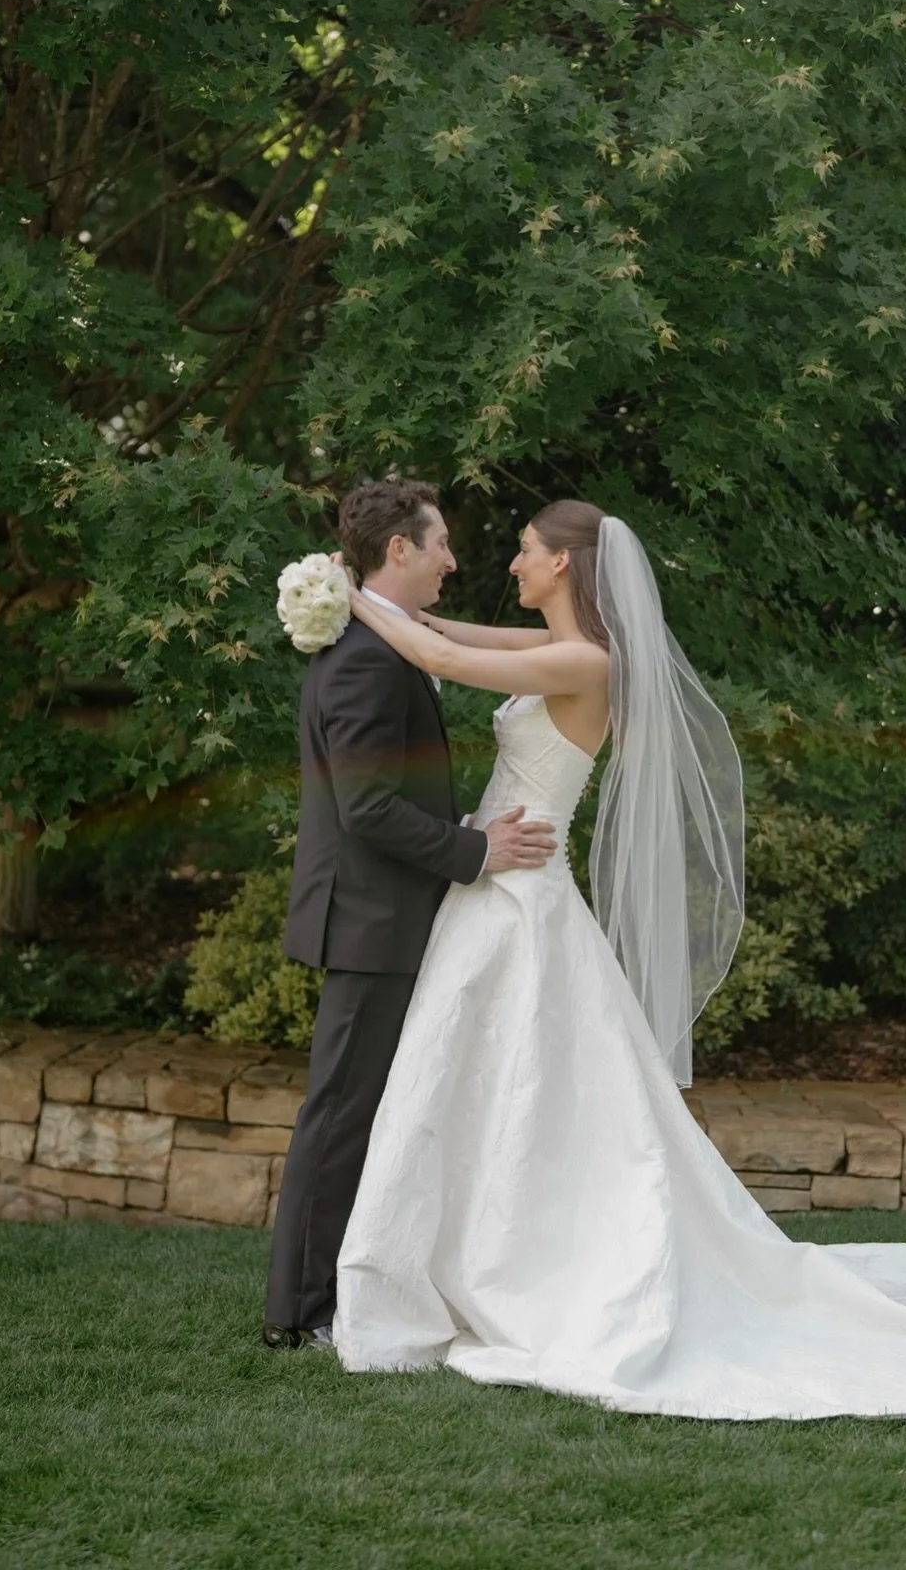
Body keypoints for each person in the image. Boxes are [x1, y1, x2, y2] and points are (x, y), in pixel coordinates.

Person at [326, 498, 906, 1419]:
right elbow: (443, 629)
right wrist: (390, 605)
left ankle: (525, 1267)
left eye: (523, 551)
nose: (509, 563)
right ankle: (475, 1260)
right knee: (496, 1086)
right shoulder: (554, 645)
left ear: (563, 565)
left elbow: (439, 657)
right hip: (502, 892)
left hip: (523, 899)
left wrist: (339, 591)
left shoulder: (587, 660)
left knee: (523, 1087)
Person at [263, 479, 557, 1350]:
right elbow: (366, 810)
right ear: (400, 550)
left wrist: (462, 827)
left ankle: (346, 1288)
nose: (452, 562)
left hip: (385, 913)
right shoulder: (361, 657)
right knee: (340, 1114)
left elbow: (391, 796)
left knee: (365, 1111)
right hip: (367, 919)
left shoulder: (385, 644)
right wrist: (476, 854)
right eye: (440, 546)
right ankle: (299, 1313)